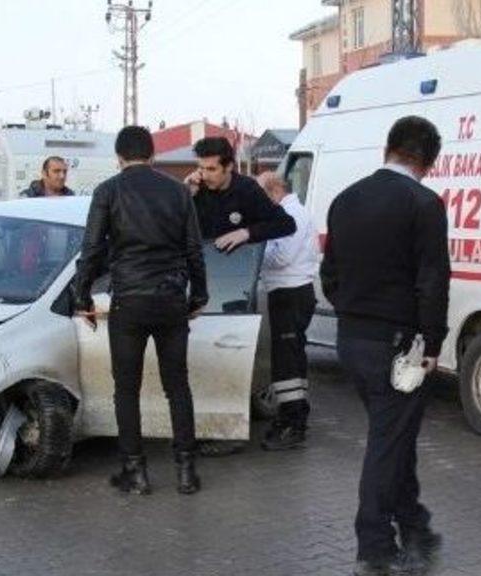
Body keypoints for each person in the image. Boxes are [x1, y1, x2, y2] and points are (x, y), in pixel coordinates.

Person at [320, 116, 450, 576]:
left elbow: (330, 274)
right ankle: (374, 545)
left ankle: (414, 523)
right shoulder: (424, 204)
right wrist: (432, 341)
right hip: (399, 345)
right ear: (428, 162)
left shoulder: (345, 199)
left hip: (352, 339)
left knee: (395, 436)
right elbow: (433, 280)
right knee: (386, 442)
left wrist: (353, 310)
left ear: (387, 149)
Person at [71, 126, 208, 496]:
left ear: (119, 157)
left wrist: (81, 296)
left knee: (126, 390)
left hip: (129, 301)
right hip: (171, 300)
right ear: (152, 155)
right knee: (177, 386)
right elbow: (194, 249)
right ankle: (186, 472)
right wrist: (199, 295)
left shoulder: (108, 191)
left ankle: (135, 471)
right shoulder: (178, 191)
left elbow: (91, 250)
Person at [184, 137, 295, 458]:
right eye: (201, 168)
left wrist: (247, 233)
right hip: (198, 288)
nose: (205, 175)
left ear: (229, 166)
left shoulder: (247, 191)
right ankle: (201, 426)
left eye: (212, 169)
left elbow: (284, 223)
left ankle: (228, 432)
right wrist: (185, 195)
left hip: (235, 291)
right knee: (198, 361)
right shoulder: (195, 191)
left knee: (227, 360)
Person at [254, 172, 320, 451]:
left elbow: (281, 256)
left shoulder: (291, 215)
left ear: (273, 191)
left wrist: (255, 249)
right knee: (291, 359)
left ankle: (293, 424)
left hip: (290, 292)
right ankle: (294, 415)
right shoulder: (290, 212)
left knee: (287, 362)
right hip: (288, 292)